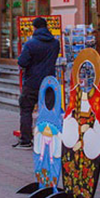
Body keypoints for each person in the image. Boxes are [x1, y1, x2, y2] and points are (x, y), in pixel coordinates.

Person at [14, 16, 60, 149]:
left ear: (34, 28)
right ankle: (49, 138)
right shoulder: (55, 43)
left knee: (26, 110)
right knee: (48, 110)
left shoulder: (30, 44)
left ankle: (26, 140)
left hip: (32, 82)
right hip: (49, 82)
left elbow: (22, 62)